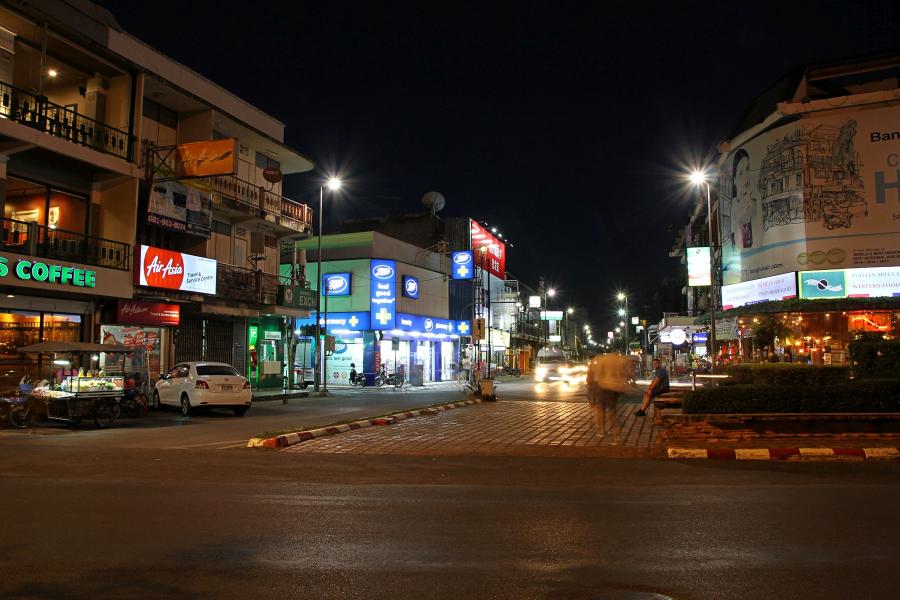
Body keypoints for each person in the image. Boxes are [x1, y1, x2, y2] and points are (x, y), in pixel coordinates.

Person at [587, 353, 631, 441]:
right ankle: (615, 433)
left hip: (603, 387)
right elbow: (626, 373)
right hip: (614, 388)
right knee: (612, 410)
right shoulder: (618, 360)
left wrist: (592, 387)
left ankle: (601, 431)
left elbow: (595, 375)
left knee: (601, 409)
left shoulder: (600, 360)